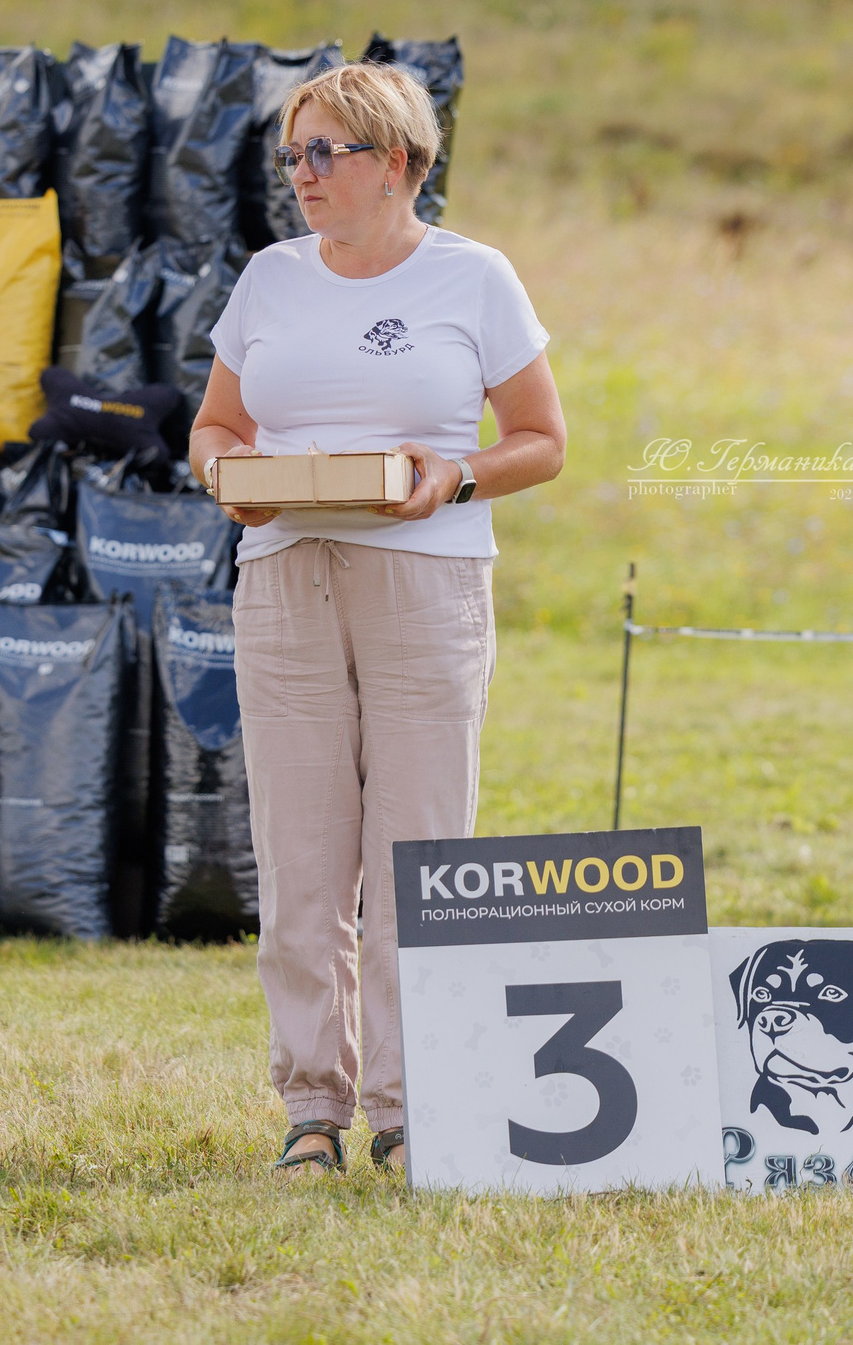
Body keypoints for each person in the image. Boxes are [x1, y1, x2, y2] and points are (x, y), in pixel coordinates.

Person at [188, 61, 568, 1177]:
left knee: (421, 851)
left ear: (398, 162)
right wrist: (227, 477)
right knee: (300, 853)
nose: (300, 174)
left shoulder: (475, 277)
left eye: (324, 153)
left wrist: (451, 476)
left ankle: (415, 1109)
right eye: (291, 154)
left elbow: (542, 439)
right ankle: (314, 1106)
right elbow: (214, 426)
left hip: (425, 584)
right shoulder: (267, 278)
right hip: (284, 575)